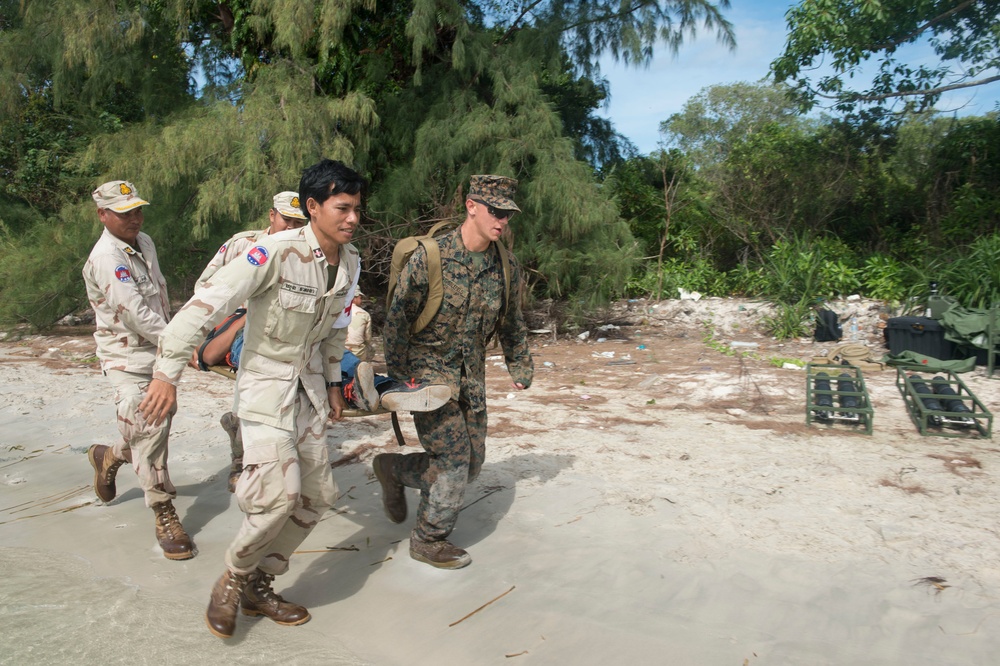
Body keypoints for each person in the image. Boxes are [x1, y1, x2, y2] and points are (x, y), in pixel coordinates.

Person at [139, 159, 363, 639]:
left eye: (356, 209)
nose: (352, 219)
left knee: (319, 495)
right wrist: (166, 372)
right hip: (263, 388)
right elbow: (205, 304)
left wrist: (330, 385)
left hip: (306, 393)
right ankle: (233, 581)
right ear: (313, 207)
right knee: (276, 497)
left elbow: (334, 333)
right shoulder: (274, 253)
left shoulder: (350, 262)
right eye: (342, 209)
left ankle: (262, 584)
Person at [375, 174, 533, 569]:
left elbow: (512, 320)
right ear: (472, 206)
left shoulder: (505, 266)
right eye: (495, 211)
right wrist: (399, 379)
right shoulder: (432, 256)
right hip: (427, 377)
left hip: (471, 378)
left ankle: (393, 469)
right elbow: (397, 320)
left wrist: (520, 362)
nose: (501, 221)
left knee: (472, 466)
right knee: (452, 461)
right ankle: (429, 540)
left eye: (507, 215)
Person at [82, 180, 194, 561]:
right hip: (125, 359)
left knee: (147, 427)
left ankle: (110, 456)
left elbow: (158, 302)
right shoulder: (106, 258)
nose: (134, 218)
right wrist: (181, 342)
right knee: (150, 422)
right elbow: (134, 312)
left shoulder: (144, 242)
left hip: (158, 352)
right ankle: (163, 511)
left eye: (137, 210)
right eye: (124, 212)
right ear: (102, 215)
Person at [192, 191, 309, 492]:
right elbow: (205, 288)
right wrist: (206, 333)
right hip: (241, 329)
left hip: (288, 332)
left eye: (299, 222)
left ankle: (252, 441)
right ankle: (240, 460)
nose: (292, 228)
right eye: (287, 220)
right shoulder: (243, 245)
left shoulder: (307, 251)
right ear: (272, 216)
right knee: (251, 388)